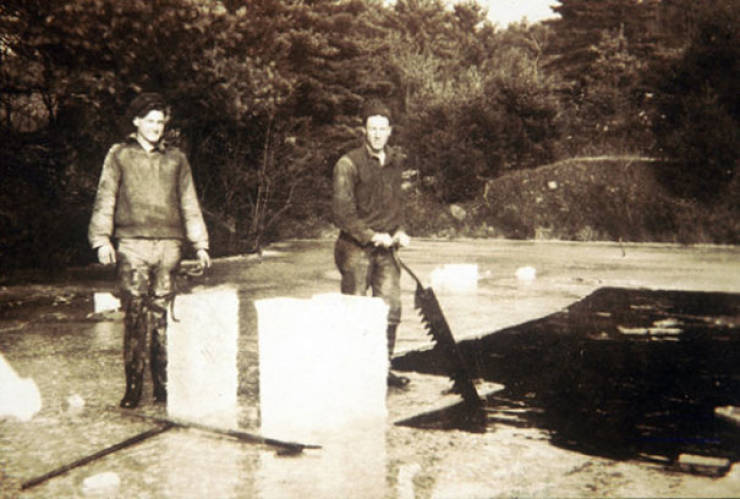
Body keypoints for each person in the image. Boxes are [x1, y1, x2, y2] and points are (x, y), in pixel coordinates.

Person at [88, 92, 211, 408]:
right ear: (136, 122)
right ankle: (132, 388)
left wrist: (200, 245)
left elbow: (189, 203)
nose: (157, 128)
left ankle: (162, 387)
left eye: (161, 122)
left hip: (169, 247)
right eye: (151, 121)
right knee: (135, 316)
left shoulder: (177, 159)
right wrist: (101, 240)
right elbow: (106, 198)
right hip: (132, 247)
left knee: (161, 318)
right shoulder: (119, 156)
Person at [332, 98, 411, 388]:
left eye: (383, 128)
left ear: (390, 131)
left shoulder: (395, 162)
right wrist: (370, 236)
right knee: (355, 309)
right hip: (355, 248)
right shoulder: (348, 164)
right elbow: (343, 213)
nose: (377, 134)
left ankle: (382, 369)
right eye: (372, 128)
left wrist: (400, 231)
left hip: (387, 249)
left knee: (390, 310)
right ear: (364, 131)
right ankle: (352, 372)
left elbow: (398, 206)